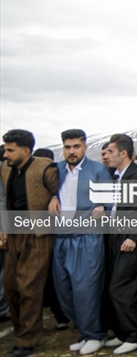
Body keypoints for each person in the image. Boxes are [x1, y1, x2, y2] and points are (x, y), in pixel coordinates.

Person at [49, 129, 111, 356]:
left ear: (85, 147)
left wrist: (102, 206)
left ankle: (96, 334)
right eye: (67, 147)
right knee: (64, 289)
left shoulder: (98, 170)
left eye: (76, 146)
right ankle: (85, 332)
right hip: (61, 237)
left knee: (86, 288)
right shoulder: (56, 170)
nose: (72, 151)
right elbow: (46, 191)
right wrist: (52, 197)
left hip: (87, 237)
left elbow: (109, 201)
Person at [1, 129, 59, 357]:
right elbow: (4, 200)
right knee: (11, 286)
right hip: (14, 233)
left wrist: (54, 197)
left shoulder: (46, 168)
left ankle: (27, 341)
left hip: (39, 235)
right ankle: (20, 335)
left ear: (25, 151)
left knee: (29, 287)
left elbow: (62, 190)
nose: (5, 154)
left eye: (10, 150)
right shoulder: (6, 169)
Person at [102, 134, 137, 356]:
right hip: (114, 236)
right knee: (113, 285)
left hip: (131, 239)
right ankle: (123, 333)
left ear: (123, 153)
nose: (106, 155)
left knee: (122, 287)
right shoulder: (115, 176)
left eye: (110, 151)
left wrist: (134, 237)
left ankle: (136, 335)